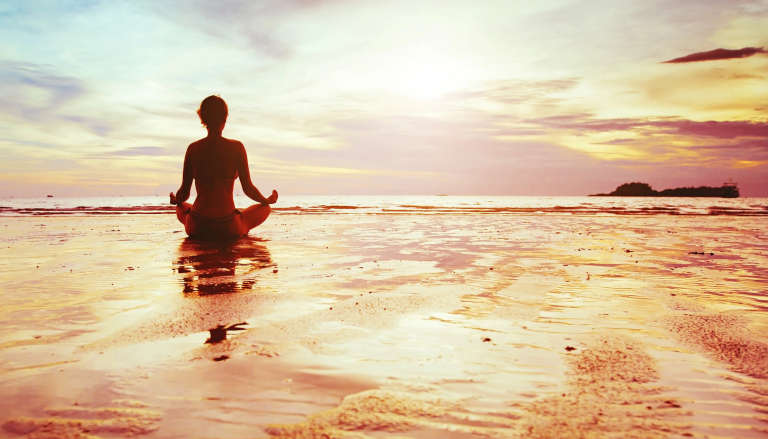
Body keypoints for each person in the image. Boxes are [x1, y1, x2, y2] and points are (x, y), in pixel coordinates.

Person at [170, 95, 278, 240]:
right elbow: (248, 188)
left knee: (181, 206)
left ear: (202, 118)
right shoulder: (237, 147)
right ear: (225, 118)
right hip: (228, 226)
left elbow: (184, 193)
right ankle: (240, 222)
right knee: (265, 208)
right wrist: (266, 200)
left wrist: (176, 199)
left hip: (198, 225)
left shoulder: (193, 149)